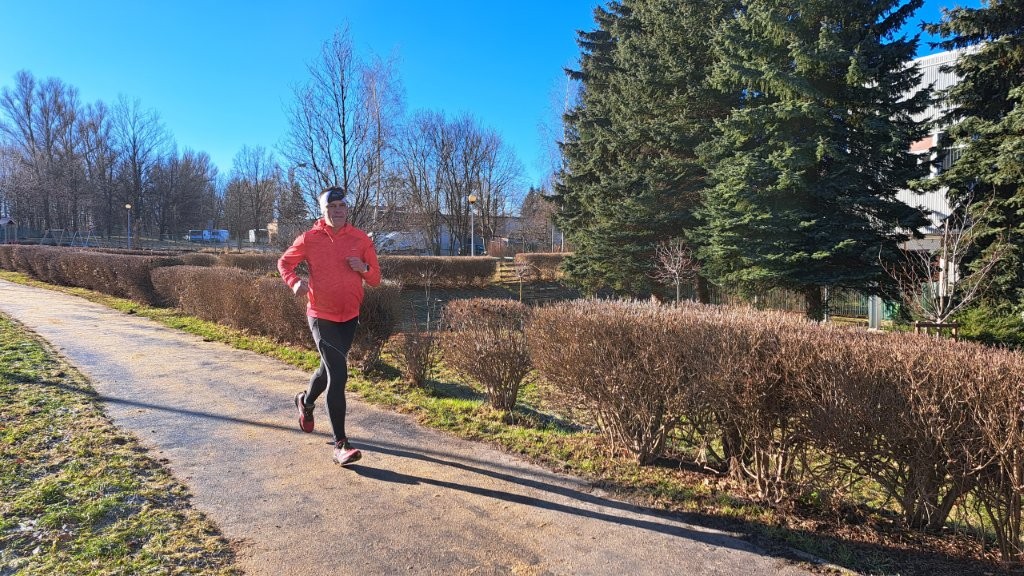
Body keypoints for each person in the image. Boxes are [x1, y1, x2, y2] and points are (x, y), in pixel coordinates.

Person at [278, 186, 381, 466]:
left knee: (327, 370)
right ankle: (340, 445)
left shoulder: (360, 239)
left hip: (349, 317)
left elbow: (375, 279)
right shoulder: (309, 239)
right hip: (321, 314)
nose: (337, 211)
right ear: (323, 211)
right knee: (339, 374)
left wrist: (363, 268)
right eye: (331, 207)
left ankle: (305, 402)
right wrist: (294, 282)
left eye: (341, 206)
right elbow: (284, 263)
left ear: (347, 209)